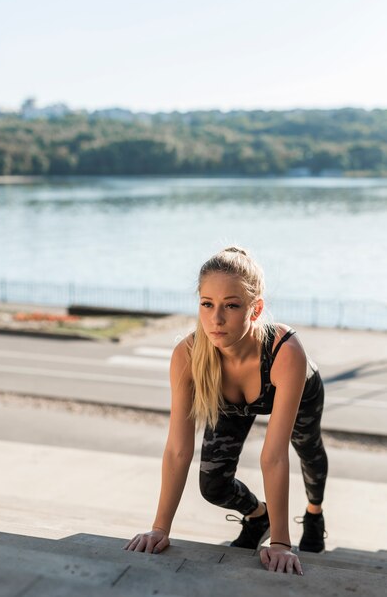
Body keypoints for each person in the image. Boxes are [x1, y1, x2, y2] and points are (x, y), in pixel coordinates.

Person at [123, 246, 328, 574]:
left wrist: (281, 544)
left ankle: (314, 514)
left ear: (256, 309)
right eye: (207, 304)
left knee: (308, 449)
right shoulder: (188, 355)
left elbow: (273, 456)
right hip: (234, 401)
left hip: (296, 386)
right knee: (213, 485)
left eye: (231, 306)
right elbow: (178, 449)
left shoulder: (286, 352)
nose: (215, 319)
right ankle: (257, 516)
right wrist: (160, 529)